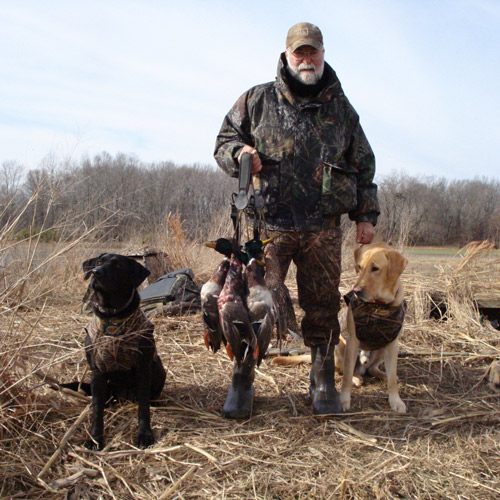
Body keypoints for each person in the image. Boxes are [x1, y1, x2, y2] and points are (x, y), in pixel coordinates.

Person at [214, 22, 379, 416]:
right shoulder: (257, 100)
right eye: (299, 53)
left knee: (322, 305)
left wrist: (366, 215)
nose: (307, 59)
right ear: (287, 56)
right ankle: (243, 376)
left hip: (322, 228)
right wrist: (239, 155)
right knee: (255, 304)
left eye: (313, 52)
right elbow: (223, 141)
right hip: (267, 226)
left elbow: (364, 165)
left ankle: (322, 377)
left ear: (323, 54)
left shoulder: (342, 109)